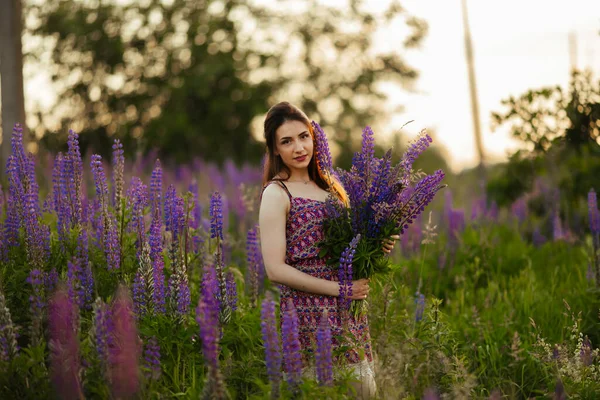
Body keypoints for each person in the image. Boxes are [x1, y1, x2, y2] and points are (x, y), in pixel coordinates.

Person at [258, 101, 398, 399]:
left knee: (362, 392)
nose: (299, 147)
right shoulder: (276, 192)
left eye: (303, 136)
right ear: (275, 150)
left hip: (348, 312)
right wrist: (339, 289)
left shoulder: (333, 186)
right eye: (287, 141)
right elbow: (274, 269)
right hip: (305, 315)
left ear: (313, 137)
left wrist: (377, 247)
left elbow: (350, 248)